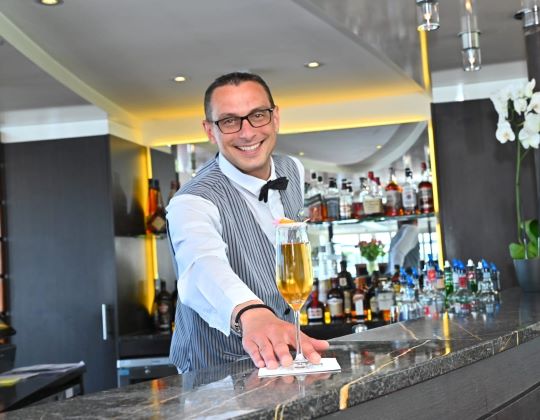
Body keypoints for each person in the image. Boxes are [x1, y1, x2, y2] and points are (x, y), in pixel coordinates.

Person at [166, 72, 329, 373]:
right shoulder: (191, 202)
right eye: (229, 121)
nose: (247, 132)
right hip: (215, 373)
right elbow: (201, 265)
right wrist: (252, 313)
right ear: (210, 130)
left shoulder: (292, 169)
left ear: (275, 118)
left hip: (282, 361)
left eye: (258, 115)